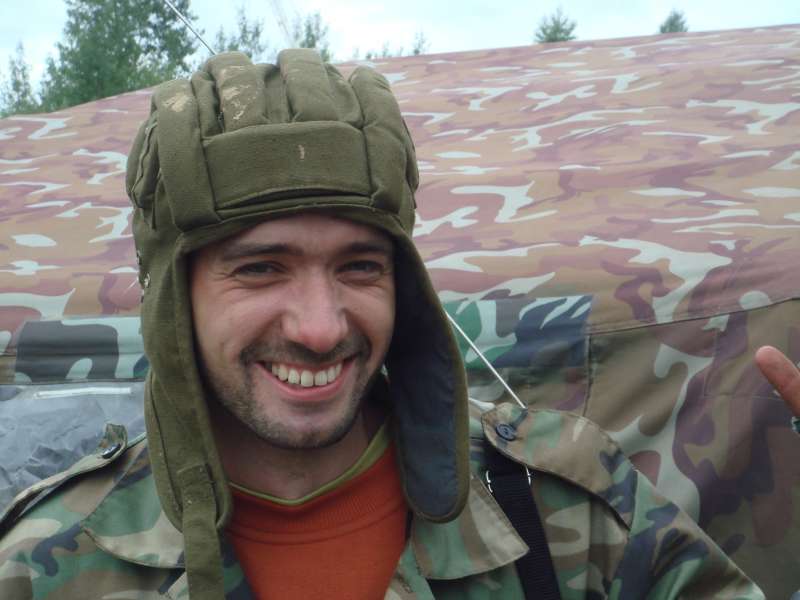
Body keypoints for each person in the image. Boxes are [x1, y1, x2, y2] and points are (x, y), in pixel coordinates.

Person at [0, 50, 770, 599]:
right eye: (260, 268)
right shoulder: (43, 562)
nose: (319, 327)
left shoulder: (562, 503)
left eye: (360, 267)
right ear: (174, 299)